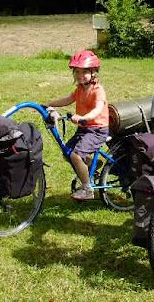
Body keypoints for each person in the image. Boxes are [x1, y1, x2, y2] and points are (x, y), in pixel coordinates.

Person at [45, 50, 110, 201]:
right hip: (84, 128)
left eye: (85, 72)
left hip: (97, 129)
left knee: (75, 155)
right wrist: (49, 104)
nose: (80, 76)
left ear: (94, 72)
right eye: (77, 72)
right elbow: (67, 100)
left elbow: (97, 110)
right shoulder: (80, 89)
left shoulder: (98, 91)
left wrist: (83, 118)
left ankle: (87, 189)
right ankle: (89, 166)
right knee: (67, 153)